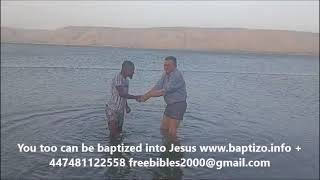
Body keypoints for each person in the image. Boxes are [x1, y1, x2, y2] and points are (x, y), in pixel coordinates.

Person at [138, 56, 187, 140]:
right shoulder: (165, 74)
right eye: (164, 65)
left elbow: (164, 91)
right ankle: (167, 149)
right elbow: (157, 86)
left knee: (172, 133)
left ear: (175, 66)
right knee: (163, 129)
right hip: (170, 104)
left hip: (178, 104)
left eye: (168, 65)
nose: (166, 67)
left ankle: (176, 151)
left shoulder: (176, 75)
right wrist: (144, 96)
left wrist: (148, 96)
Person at [106, 61, 139, 137]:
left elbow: (124, 95)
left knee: (119, 131)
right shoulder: (118, 78)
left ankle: (118, 147)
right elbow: (121, 93)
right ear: (125, 69)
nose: (133, 72)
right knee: (114, 134)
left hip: (120, 111)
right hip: (112, 109)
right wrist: (136, 97)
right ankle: (112, 147)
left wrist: (126, 106)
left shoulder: (126, 81)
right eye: (132, 70)